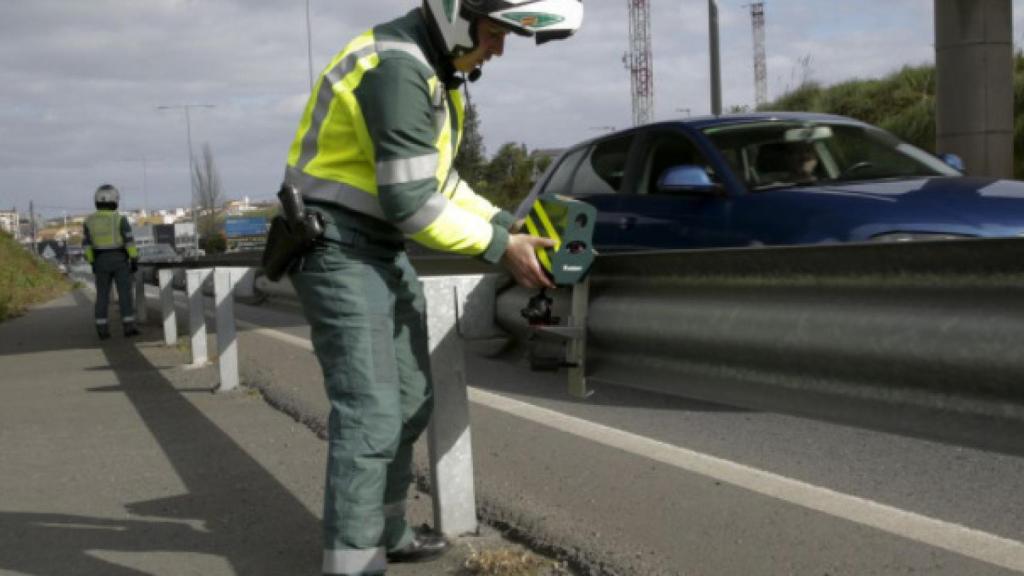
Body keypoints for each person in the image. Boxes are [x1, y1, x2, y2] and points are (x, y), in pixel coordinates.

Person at [282, 1, 583, 574]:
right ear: (456, 15)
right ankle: (352, 562)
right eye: (496, 34)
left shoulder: (431, 70)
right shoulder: (398, 69)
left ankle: (387, 529)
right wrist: (501, 249)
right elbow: (411, 202)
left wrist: (503, 224)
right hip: (337, 251)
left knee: (410, 402)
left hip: (376, 248)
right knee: (370, 414)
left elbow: (440, 182)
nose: (498, 50)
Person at [83, 184, 140, 340]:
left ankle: (102, 329)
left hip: (100, 261)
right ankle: (128, 327)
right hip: (120, 260)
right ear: (115, 200)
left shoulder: (89, 222)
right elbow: (129, 242)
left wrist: (92, 262)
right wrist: (134, 259)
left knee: (102, 296)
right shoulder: (120, 219)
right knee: (124, 295)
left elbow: (86, 246)